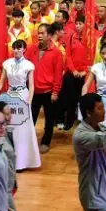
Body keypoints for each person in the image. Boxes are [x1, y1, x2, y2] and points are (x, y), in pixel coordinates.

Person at [0, 40, 41, 169]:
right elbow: (1, 82)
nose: (16, 51)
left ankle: (22, 162)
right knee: (8, 127)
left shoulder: (28, 65)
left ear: (24, 49)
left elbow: (31, 85)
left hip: (22, 96)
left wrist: (29, 100)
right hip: (9, 95)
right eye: (14, 48)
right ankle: (8, 159)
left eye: (19, 48)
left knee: (22, 130)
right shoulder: (7, 64)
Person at [26, 24, 64, 154]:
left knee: (49, 119)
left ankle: (45, 142)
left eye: (42, 33)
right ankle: (28, 140)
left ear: (49, 36)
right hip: (33, 91)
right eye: (38, 33)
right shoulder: (31, 49)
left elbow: (58, 75)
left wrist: (55, 91)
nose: (39, 35)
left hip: (49, 92)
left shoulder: (56, 53)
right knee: (31, 117)